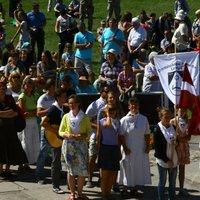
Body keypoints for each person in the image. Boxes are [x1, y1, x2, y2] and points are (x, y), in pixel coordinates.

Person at [59, 94, 91, 200]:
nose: (71, 105)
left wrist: (82, 136)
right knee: (71, 171)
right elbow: (60, 131)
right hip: (69, 145)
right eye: (70, 103)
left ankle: (80, 193)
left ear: (78, 104)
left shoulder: (85, 117)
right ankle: (72, 193)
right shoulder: (66, 116)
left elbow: (89, 132)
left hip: (81, 145)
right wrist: (67, 135)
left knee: (82, 170)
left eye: (73, 103)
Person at [118, 97, 151, 197]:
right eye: (132, 105)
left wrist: (148, 145)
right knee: (126, 167)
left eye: (136, 104)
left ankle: (134, 188)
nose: (134, 106)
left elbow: (147, 133)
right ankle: (124, 188)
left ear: (138, 106)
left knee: (137, 167)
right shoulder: (124, 120)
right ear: (128, 107)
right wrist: (125, 147)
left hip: (140, 147)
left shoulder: (143, 119)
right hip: (128, 147)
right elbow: (121, 135)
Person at [40, 88, 68, 194]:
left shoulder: (64, 108)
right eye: (63, 96)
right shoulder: (53, 109)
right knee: (56, 161)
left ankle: (70, 184)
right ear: (57, 98)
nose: (65, 98)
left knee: (66, 160)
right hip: (55, 137)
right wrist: (56, 131)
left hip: (63, 137)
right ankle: (55, 185)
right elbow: (43, 123)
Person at [0, 77, 27, 180]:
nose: (2, 89)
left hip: (11, 129)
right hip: (0, 130)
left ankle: (7, 171)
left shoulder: (9, 99)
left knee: (11, 149)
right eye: (0, 87)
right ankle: (0, 171)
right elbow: (11, 112)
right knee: (1, 150)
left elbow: (15, 113)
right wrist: (8, 113)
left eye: (3, 87)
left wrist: (3, 114)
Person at [96, 96, 121, 199]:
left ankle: (109, 192)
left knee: (113, 172)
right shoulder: (102, 121)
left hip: (114, 148)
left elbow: (118, 136)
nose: (111, 111)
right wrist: (107, 114)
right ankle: (103, 193)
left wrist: (119, 150)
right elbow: (107, 125)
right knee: (105, 172)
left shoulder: (118, 122)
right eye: (109, 110)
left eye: (113, 110)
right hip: (105, 147)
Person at [85, 85, 108, 188]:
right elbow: (87, 120)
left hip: (108, 135)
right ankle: (89, 178)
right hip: (95, 133)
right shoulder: (94, 105)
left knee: (103, 158)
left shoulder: (112, 105)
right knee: (92, 156)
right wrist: (99, 127)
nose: (107, 94)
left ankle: (101, 178)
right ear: (101, 92)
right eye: (105, 92)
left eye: (109, 92)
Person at [154, 107, 178, 200]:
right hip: (163, 160)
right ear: (160, 117)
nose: (168, 118)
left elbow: (177, 142)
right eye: (165, 116)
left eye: (169, 116)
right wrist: (167, 160)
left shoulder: (174, 128)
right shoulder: (157, 130)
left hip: (174, 158)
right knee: (162, 182)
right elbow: (158, 150)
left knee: (172, 183)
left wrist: (176, 143)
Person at [35, 79, 55, 184]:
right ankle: (39, 175)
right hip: (46, 128)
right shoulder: (42, 98)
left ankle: (55, 174)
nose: (55, 88)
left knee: (56, 154)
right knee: (43, 152)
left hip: (55, 129)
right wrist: (50, 109)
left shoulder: (56, 97)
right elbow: (38, 113)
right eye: (53, 86)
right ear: (49, 87)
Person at [18, 78, 40, 171]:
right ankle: (23, 164)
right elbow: (23, 112)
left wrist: (32, 112)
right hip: (26, 123)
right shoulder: (22, 97)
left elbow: (38, 110)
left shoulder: (36, 95)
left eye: (31, 86)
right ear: (24, 86)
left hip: (34, 122)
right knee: (26, 143)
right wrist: (34, 112)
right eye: (27, 86)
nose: (29, 88)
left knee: (34, 142)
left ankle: (30, 162)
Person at [170, 108, 191, 196]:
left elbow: (188, 137)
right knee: (173, 169)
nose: (181, 112)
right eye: (179, 110)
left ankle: (181, 188)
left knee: (182, 169)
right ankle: (172, 188)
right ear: (176, 110)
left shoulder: (188, 122)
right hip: (175, 147)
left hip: (184, 148)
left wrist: (180, 139)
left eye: (183, 110)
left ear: (186, 111)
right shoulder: (173, 121)